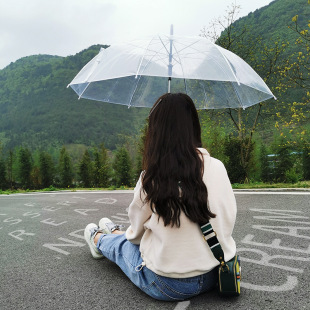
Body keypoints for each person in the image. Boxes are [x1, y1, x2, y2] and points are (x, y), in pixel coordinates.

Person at [84, 93, 237, 301]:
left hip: (169, 285)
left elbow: (136, 237)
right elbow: (228, 219)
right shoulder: (218, 167)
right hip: (217, 273)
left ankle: (98, 238)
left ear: (156, 131)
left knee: (124, 246)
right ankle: (114, 232)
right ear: (193, 125)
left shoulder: (153, 177)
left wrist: (131, 236)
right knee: (132, 238)